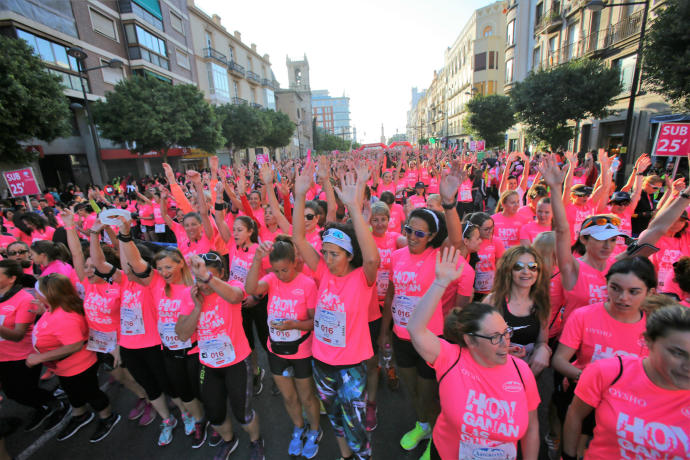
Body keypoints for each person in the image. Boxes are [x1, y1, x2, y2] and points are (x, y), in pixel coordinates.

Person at [407, 247, 540, 460]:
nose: (505, 343)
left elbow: (532, 428)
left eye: (506, 333)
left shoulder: (522, 370)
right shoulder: (451, 358)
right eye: (495, 337)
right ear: (471, 340)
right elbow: (415, 328)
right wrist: (440, 282)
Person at [379, 162, 469, 454]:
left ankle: (437, 440)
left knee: (429, 394)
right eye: (409, 230)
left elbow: (457, 240)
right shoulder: (397, 256)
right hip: (401, 337)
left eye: (420, 233)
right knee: (413, 391)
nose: (414, 237)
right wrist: (385, 332)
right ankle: (422, 426)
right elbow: (391, 295)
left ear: (432, 236)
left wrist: (449, 202)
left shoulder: (439, 256)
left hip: (431, 340)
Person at [293, 164, 379, 460]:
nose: (327, 259)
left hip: (352, 366)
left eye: (335, 254)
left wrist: (354, 207)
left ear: (349, 255)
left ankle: (363, 456)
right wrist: (300, 196)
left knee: (356, 423)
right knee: (335, 417)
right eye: (326, 252)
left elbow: (372, 257)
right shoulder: (322, 274)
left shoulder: (361, 278)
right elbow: (298, 240)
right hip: (321, 362)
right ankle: (344, 455)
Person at [562, 304, 690, 460]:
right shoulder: (608, 372)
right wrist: (568, 456)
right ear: (648, 341)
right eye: (678, 353)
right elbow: (575, 414)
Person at [119, 232, 206, 447]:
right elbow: (135, 262)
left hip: (194, 351)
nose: (164, 272)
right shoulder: (155, 283)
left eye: (169, 267)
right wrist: (124, 236)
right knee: (185, 394)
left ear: (181, 265)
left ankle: (214, 418)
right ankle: (200, 421)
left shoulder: (192, 287)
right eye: (161, 268)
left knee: (201, 392)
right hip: (170, 352)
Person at [177, 253, 265, 460]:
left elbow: (236, 296)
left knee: (243, 413)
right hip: (208, 365)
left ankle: (256, 441)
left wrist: (207, 278)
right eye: (199, 278)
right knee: (215, 413)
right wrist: (197, 307)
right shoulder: (190, 296)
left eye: (208, 277)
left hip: (236, 362)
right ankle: (228, 440)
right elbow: (182, 334)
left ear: (221, 274)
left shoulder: (230, 287)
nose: (204, 284)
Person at [245, 237, 322, 458]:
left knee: (306, 396)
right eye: (276, 270)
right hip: (276, 349)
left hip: (301, 351)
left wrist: (294, 324)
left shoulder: (307, 284)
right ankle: (299, 428)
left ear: (295, 262)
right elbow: (251, 288)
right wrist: (257, 261)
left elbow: (314, 322)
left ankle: (315, 430)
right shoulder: (271, 279)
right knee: (289, 397)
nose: (280, 275)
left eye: (284, 270)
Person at [29, 274, 120, 442]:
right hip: (64, 369)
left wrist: (40, 358)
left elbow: (75, 345)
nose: (34, 295)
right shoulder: (54, 308)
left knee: (91, 393)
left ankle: (107, 416)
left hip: (79, 366)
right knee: (73, 392)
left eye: (37, 292)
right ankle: (80, 414)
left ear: (50, 294)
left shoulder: (65, 317)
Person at [0, 260, 69, 432]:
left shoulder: (25, 299)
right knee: (11, 392)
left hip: (23, 356)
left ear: (11, 279)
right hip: (3, 357)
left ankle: (55, 403)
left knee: (22, 390)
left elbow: (17, 335)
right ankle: (43, 406)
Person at [368, 201, 407, 429]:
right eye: (375, 220)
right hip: (371, 300)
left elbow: (409, 244)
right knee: (375, 338)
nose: (380, 223)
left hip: (391, 298)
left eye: (384, 219)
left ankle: (390, 367)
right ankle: (378, 365)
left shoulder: (395, 238)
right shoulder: (368, 238)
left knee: (389, 338)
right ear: (370, 222)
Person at [484, 246, 552, 376]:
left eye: (532, 266)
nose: (526, 272)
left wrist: (543, 350)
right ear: (508, 270)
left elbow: (541, 341)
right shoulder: (492, 301)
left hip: (526, 373)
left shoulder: (542, 304)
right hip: (494, 372)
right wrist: (502, 350)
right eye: (518, 266)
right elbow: (477, 341)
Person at [467, 212, 505, 297]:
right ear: (476, 229)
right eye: (486, 229)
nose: (490, 231)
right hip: (472, 289)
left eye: (492, 227)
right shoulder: (469, 242)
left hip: (491, 289)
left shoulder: (496, 241)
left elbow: (501, 266)